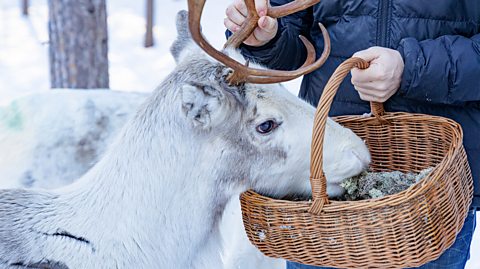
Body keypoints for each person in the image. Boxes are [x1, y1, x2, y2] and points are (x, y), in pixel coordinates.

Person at [224, 0, 479, 268]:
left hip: (431, 191)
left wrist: (413, 68)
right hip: (323, 184)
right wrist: (266, 39)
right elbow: (294, 36)